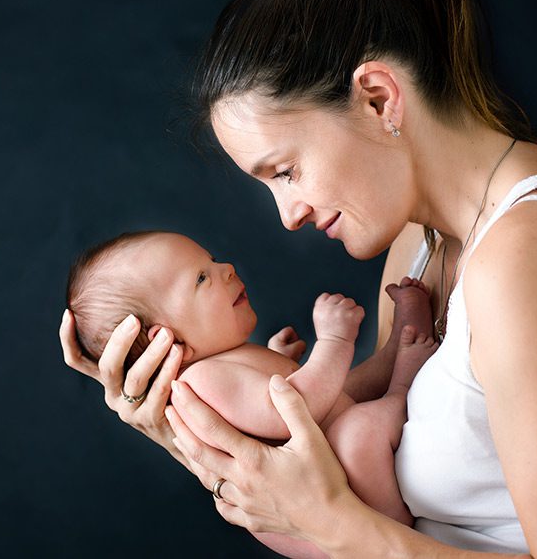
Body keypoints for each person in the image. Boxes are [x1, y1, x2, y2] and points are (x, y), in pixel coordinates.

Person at [60, 0, 537, 555]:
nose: (287, 215)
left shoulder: (528, 260)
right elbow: (355, 459)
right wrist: (186, 429)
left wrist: (331, 524)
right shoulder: (417, 249)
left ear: (377, 99)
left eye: (287, 170)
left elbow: (342, 516)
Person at [65, 230, 437, 558]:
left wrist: (275, 363)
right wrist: (335, 340)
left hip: (333, 487)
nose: (225, 267)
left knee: (345, 407)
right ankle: (403, 383)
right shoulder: (200, 383)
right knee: (358, 428)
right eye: (200, 278)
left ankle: (397, 348)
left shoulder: (220, 364)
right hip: (358, 513)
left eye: (210, 260)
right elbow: (293, 409)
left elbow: (273, 405)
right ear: (168, 340)